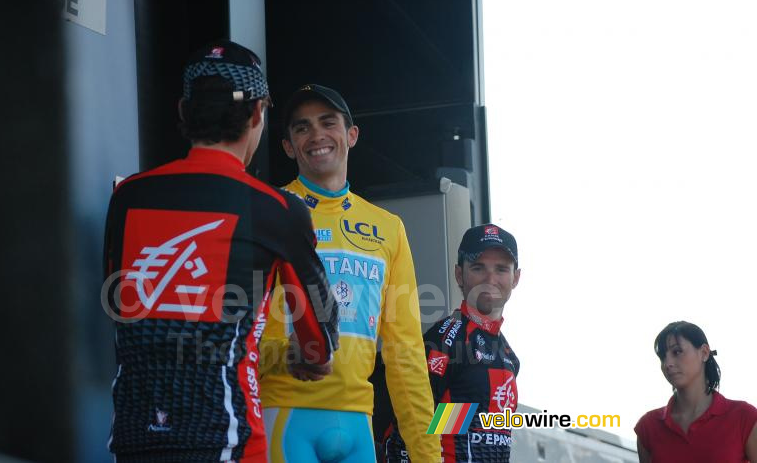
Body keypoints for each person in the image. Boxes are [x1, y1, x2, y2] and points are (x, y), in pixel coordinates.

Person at [102, 42, 339, 463]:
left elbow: (115, 308)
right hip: (228, 443)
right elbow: (319, 342)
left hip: (133, 439)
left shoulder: (127, 196)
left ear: (183, 110)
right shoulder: (279, 209)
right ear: (257, 114)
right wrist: (303, 356)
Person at [258, 84, 441, 462]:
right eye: (302, 128)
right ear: (289, 146)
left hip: (359, 422)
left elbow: (405, 352)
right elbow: (233, 337)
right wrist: (282, 355)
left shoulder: (388, 227)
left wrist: (428, 455)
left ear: (351, 135)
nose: (317, 136)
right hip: (284, 412)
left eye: (329, 123)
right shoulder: (267, 211)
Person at [381, 223, 522, 463]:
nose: (490, 278)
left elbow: (462, 427)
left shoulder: (509, 357)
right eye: (478, 268)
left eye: (501, 269)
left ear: (516, 277)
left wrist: (461, 418)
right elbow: (402, 425)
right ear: (459, 274)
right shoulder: (446, 340)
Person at [634, 321, 757, 463]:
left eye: (677, 352)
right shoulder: (648, 426)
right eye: (662, 356)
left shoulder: (744, 417)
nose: (667, 363)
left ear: (704, 353)